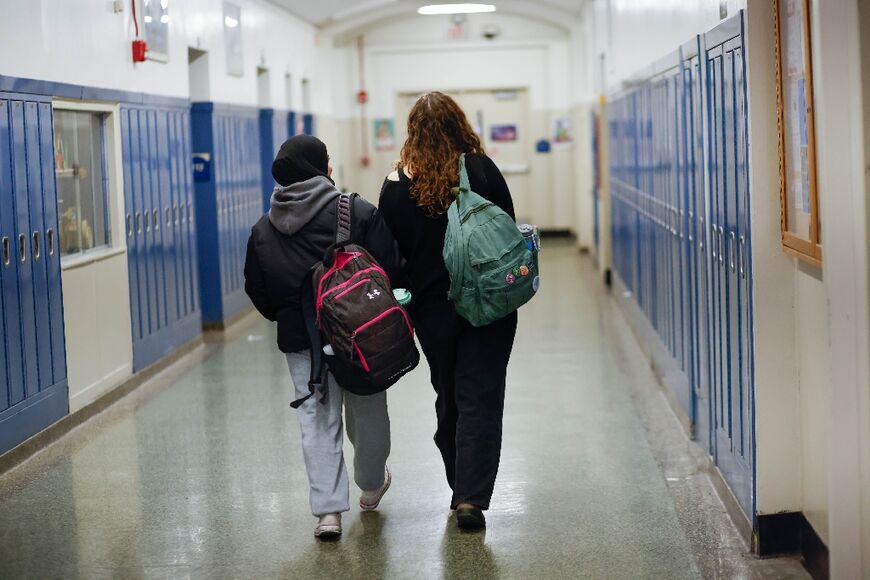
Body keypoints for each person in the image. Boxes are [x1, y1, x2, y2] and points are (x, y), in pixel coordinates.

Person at [244, 135, 399, 540]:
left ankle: (328, 514)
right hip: (360, 335)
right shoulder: (355, 211)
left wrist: (295, 317)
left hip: (301, 342)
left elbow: (259, 292)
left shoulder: (263, 229)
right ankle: (370, 485)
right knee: (367, 410)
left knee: (315, 419)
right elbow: (393, 267)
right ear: (322, 168)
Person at [377, 92, 518, 531]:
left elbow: (391, 257)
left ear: (413, 132)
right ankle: (470, 498)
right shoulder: (481, 169)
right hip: (489, 305)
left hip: (432, 311)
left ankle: (459, 482)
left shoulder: (396, 185)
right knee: (481, 394)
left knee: (450, 394)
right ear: (461, 124)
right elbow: (508, 228)